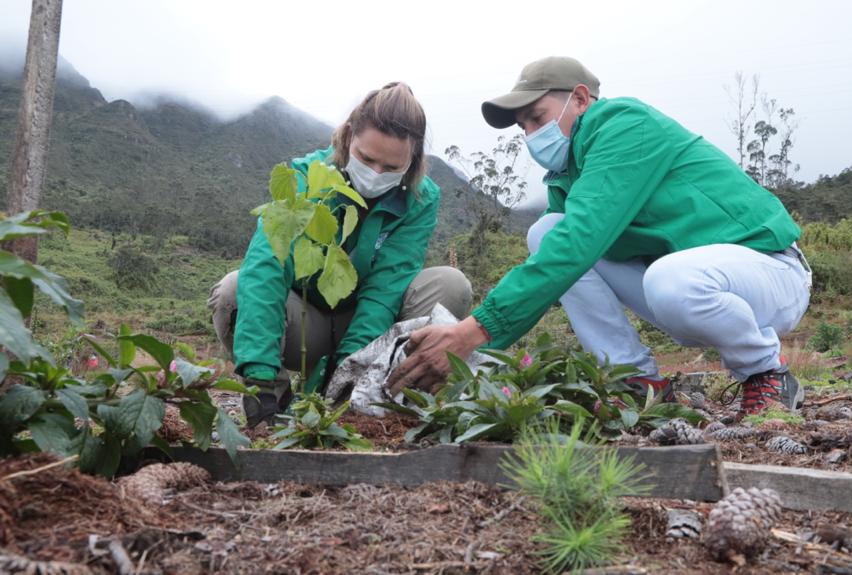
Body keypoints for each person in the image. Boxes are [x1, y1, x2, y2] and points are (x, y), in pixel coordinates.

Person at [388, 58, 811, 421]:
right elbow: (561, 255)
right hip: (690, 288)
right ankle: (635, 380)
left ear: (580, 99)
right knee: (546, 231)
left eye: (537, 117)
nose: (531, 133)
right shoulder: (567, 176)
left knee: (658, 274)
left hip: (769, 270)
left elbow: (580, 240)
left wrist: (475, 330)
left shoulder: (625, 125)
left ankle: (766, 373)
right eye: (523, 126)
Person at [208, 82, 473, 427]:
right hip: (306, 323)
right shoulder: (305, 179)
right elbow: (267, 267)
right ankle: (275, 395)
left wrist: (344, 376)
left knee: (450, 285)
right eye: (366, 159)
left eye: (391, 167)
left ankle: (388, 398)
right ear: (349, 137)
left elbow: (385, 291)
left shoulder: (420, 200)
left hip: (372, 331)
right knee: (233, 290)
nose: (376, 174)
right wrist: (259, 378)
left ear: (412, 160)